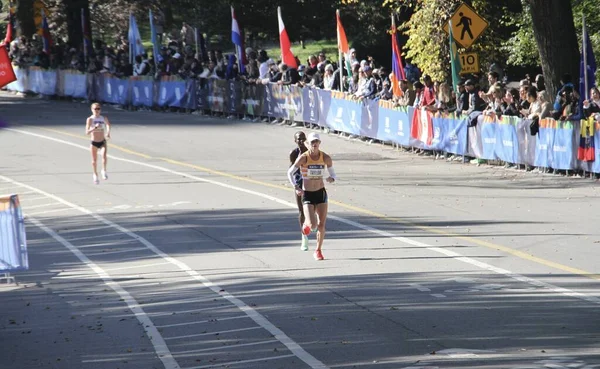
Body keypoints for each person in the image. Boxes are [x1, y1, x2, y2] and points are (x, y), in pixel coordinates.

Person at [287, 132, 336, 261]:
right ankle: (306, 225)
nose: (314, 145)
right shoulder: (304, 158)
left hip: (321, 193)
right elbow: (290, 172)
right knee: (313, 225)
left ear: (319, 143)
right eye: (312, 142)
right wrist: (295, 186)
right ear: (308, 144)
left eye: (316, 142)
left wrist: (332, 178)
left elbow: (333, 173)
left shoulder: (325, 157)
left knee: (321, 225)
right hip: (308, 194)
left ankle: (318, 250)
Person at [289, 131, 308, 251]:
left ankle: (312, 225)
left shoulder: (309, 151)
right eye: (298, 139)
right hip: (299, 183)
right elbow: (291, 169)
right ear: (295, 141)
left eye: (302, 139)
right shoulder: (293, 153)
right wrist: (295, 185)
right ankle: (304, 237)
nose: (300, 141)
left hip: (310, 183)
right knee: (301, 210)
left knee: (313, 208)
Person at [85, 103, 111, 184]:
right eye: (95, 109)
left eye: (98, 108)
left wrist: (108, 132)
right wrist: (94, 128)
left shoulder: (103, 118)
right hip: (94, 142)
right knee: (94, 161)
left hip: (102, 141)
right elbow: (87, 132)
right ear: (92, 109)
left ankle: (103, 170)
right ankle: (95, 174)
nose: (97, 110)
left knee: (104, 156)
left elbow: (108, 124)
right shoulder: (90, 119)